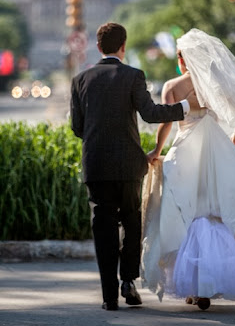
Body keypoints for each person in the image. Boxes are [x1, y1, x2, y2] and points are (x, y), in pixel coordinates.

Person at [141, 28, 235, 309]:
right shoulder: (214, 84)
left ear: (182, 59)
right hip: (216, 149)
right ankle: (210, 283)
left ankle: (192, 286)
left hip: (187, 150)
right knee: (217, 213)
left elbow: (167, 123)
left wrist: (157, 152)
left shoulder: (172, 86)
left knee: (185, 212)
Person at [70, 22, 197, 311]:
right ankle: (128, 281)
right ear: (123, 47)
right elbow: (151, 114)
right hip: (129, 164)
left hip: (97, 164)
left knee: (103, 228)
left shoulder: (80, 79)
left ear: (99, 47)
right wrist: (185, 108)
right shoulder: (133, 76)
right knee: (131, 222)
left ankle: (109, 296)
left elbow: (78, 127)